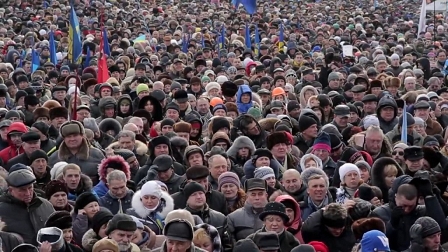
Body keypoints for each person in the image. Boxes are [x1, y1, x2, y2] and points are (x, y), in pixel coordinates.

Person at [0, 169, 55, 245]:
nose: (28, 193)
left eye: (30, 188)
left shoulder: (45, 205)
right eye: (22, 190)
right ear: (11, 190)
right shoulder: (2, 211)